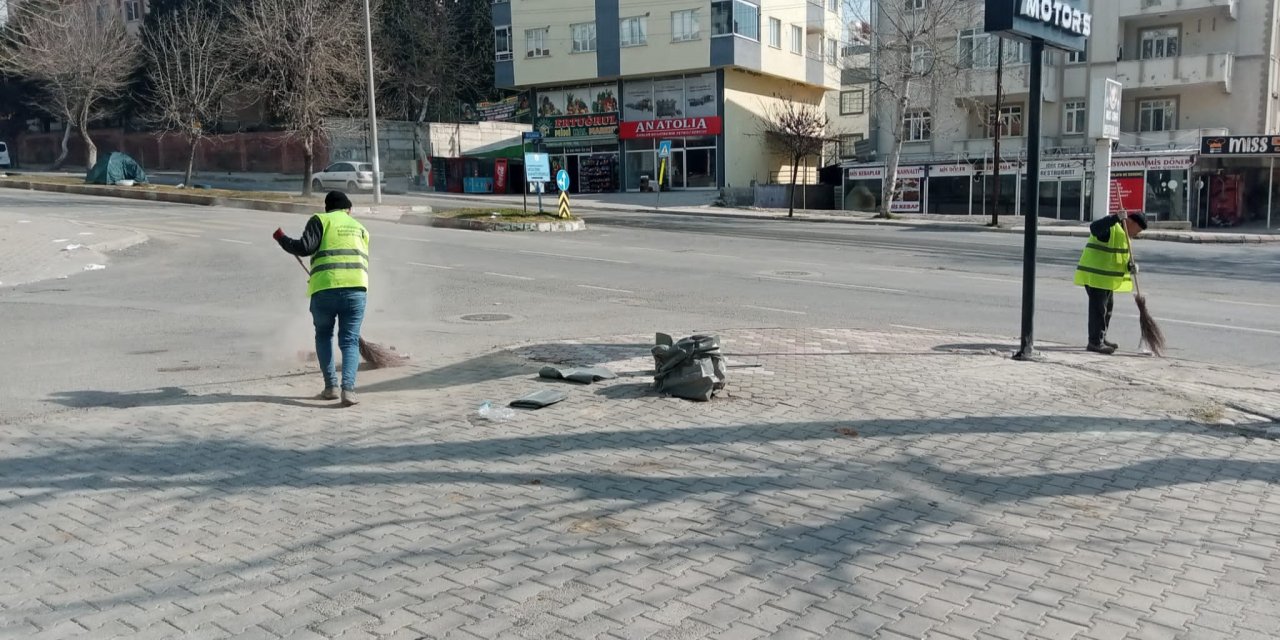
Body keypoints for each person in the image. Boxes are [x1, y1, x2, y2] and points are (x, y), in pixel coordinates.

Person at [274, 191, 370, 406]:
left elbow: (304, 248)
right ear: (349, 209)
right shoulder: (361, 228)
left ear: (327, 208)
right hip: (356, 290)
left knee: (324, 335)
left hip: (325, 290)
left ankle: (331, 387)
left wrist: (282, 239)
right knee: (350, 341)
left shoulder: (321, 220)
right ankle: (349, 390)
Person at [1074, 211, 1147, 355]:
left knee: (1108, 309)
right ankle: (1094, 342)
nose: (1136, 234)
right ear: (1130, 222)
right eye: (1137, 230)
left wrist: (1130, 267)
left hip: (1106, 279)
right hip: (1095, 276)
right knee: (1099, 311)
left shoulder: (1124, 235)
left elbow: (1117, 258)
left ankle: (1102, 337)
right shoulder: (1110, 229)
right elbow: (1094, 228)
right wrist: (1114, 218)